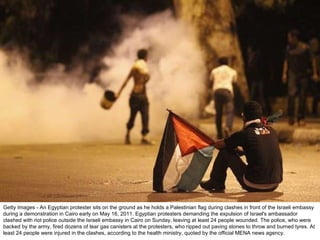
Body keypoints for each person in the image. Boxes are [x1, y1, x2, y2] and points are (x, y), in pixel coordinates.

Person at [200, 101, 283, 192]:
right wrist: (235, 149)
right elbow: (252, 150)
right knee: (229, 148)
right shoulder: (272, 131)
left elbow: (220, 145)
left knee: (225, 151)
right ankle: (216, 182)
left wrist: (206, 141)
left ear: (244, 117)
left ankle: (216, 182)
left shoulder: (245, 134)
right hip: (274, 184)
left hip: (254, 184)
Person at [282, 29, 318, 126]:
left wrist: (315, 73)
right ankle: (291, 117)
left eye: (290, 37)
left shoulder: (305, 48)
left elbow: (312, 60)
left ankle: (301, 118)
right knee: (291, 95)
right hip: (292, 74)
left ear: (294, 38)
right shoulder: (288, 48)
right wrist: (284, 73)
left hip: (304, 75)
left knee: (302, 97)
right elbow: (286, 61)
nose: (288, 39)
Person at [117, 49, 152, 145]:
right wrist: (118, 93)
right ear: (145, 57)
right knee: (133, 116)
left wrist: (147, 77)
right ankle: (127, 134)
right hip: (135, 96)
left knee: (145, 116)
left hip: (143, 96)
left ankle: (144, 137)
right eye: (147, 56)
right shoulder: (137, 67)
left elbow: (146, 79)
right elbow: (126, 80)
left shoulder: (141, 67)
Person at [209, 56, 237, 139]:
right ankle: (227, 127)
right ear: (227, 62)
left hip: (217, 91)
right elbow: (234, 82)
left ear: (219, 63)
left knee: (219, 113)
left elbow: (211, 82)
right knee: (230, 111)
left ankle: (219, 133)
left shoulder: (214, 70)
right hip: (227, 91)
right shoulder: (232, 71)